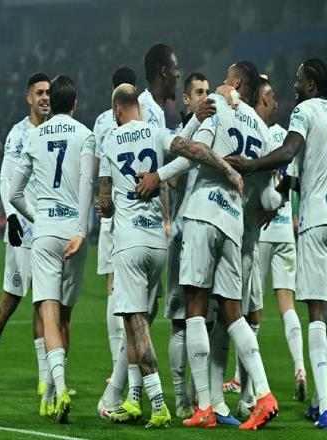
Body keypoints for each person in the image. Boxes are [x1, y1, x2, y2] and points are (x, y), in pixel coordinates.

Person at [139, 61, 280, 430]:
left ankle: (203, 406)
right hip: (234, 225)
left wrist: (158, 176)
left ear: (237, 82)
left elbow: (194, 153)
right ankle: (264, 394)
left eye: (227, 76)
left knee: (196, 308)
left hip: (204, 214)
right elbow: (271, 199)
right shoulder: (262, 131)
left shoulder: (220, 106)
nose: (222, 81)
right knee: (233, 314)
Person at [98, 83, 242, 428]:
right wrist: (228, 169)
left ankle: (158, 403)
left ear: (117, 110)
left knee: (136, 324)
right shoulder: (155, 132)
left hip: (130, 244)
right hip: (157, 245)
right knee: (138, 323)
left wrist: (109, 207)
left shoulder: (110, 140)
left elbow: (104, 202)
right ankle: (133, 399)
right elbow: (193, 150)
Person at [226, 59, 327, 430]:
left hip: (317, 219)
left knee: (315, 311)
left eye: (298, 80)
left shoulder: (304, 111)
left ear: (311, 84)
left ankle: (324, 406)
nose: (294, 85)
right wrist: (278, 200)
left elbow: (287, 153)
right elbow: (295, 178)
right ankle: (316, 400)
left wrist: (249, 166)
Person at [10, 75, 95, 423]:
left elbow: (15, 193)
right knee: (64, 317)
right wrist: (81, 231)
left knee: (47, 313)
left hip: (45, 233)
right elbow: (87, 183)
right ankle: (55, 390)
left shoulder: (34, 136)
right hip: (73, 233)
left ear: (52, 103)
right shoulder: (85, 135)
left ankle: (55, 389)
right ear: (74, 104)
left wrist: (38, 217)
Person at [225, 77, 307, 413]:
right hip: (284, 228)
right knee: (284, 305)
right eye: (271, 97)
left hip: (256, 232)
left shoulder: (252, 132)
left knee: (242, 310)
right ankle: (299, 366)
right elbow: (293, 179)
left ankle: (239, 384)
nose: (276, 102)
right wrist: (281, 201)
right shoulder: (287, 136)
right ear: (260, 99)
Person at [0, 72, 50, 397]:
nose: (45, 97)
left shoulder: (53, 131)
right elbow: (6, 179)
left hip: (46, 230)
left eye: (48, 92)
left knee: (44, 302)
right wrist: (11, 217)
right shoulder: (18, 134)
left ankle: (45, 379)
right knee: (12, 299)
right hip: (22, 231)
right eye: (39, 93)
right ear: (28, 98)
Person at [163, 71, 214, 419]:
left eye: (208, 91)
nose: (205, 97)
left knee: (206, 321)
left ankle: (200, 397)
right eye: (198, 92)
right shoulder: (177, 135)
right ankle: (181, 397)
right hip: (183, 235)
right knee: (181, 321)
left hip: (209, 234)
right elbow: (174, 178)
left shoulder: (217, 130)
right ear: (186, 99)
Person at [94, 66, 137, 419]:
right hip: (141, 219)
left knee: (116, 288)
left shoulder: (101, 122)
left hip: (116, 217)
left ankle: (120, 368)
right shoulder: (147, 117)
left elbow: (97, 170)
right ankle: (125, 371)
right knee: (131, 295)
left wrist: (100, 206)